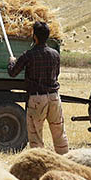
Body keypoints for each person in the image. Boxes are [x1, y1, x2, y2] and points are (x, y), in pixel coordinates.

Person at [7, 21, 69, 155]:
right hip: (54, 97)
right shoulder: (55, 54)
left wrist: (12, 61)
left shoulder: (28, 55)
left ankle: (40, 162)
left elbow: (13, 72)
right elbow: (56, 74)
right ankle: (66, 161)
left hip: (37, 99)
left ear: (34, 36)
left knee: (36, 136)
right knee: (59, 133)